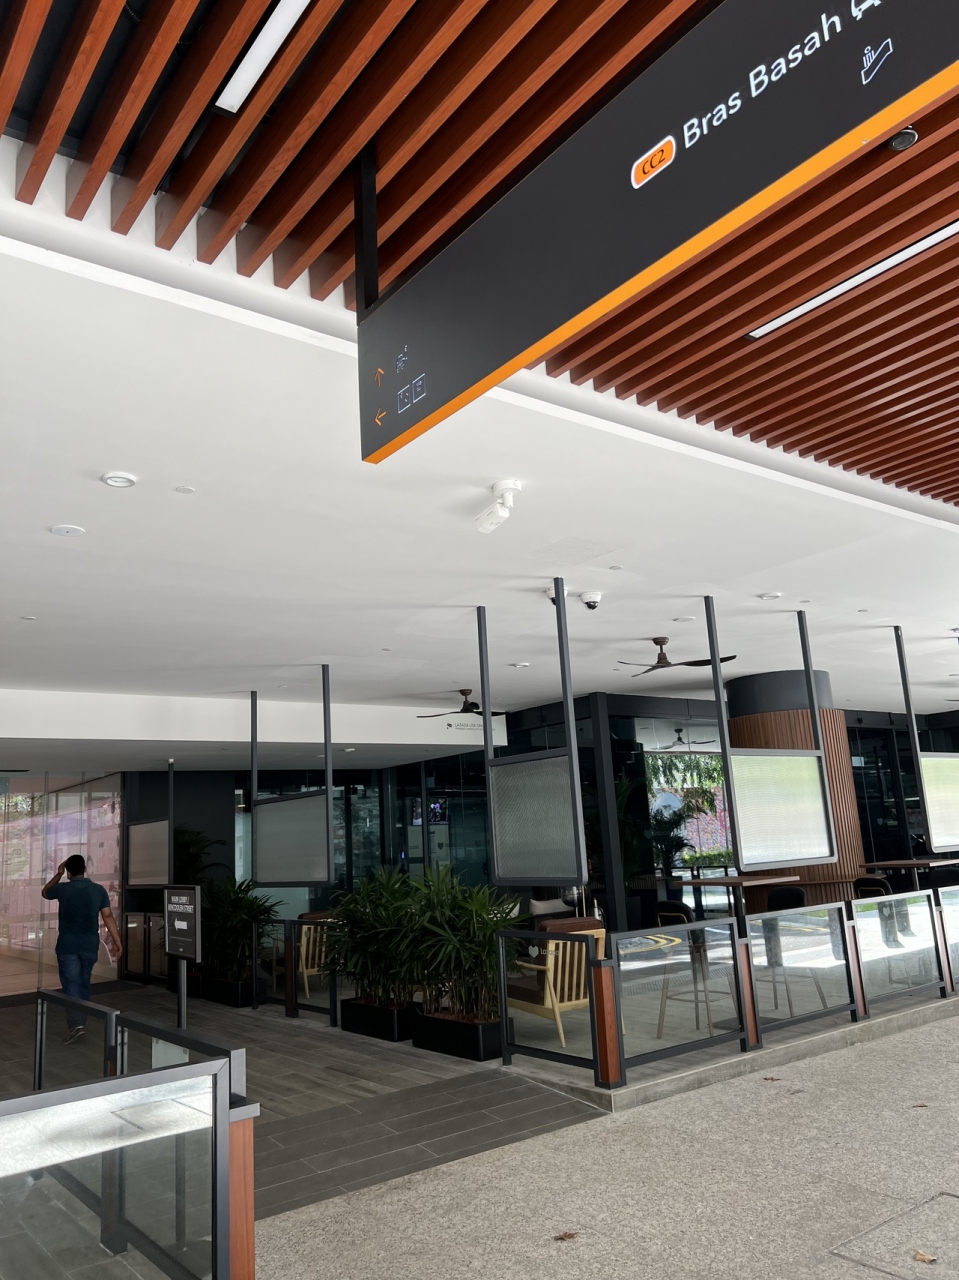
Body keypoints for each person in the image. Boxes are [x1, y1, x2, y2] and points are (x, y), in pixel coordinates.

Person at [41, 854, 123, 1044]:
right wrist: (117, 940)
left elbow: (45, 892)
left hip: (68, 945)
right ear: (85, 869)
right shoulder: (98, 890)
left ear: (68, 872)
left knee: (71, 984)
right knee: (84, 982)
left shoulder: (62, 889)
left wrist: (58, 874)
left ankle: (77, 1024)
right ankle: (81, 1019)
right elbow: (108, 916)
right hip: (89, 945)